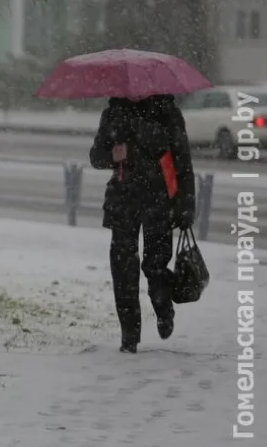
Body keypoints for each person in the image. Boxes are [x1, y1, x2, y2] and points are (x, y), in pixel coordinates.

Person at [89, 95, 195, 354]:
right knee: (123, 267)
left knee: (154, 264)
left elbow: (182, 161)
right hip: (123, 201)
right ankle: (129, 335)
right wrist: (117, 153)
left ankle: (163, 308)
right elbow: (96, 157)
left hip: (158, 198)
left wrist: (186, 204)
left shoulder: (166, 113)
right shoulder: (114, 114)